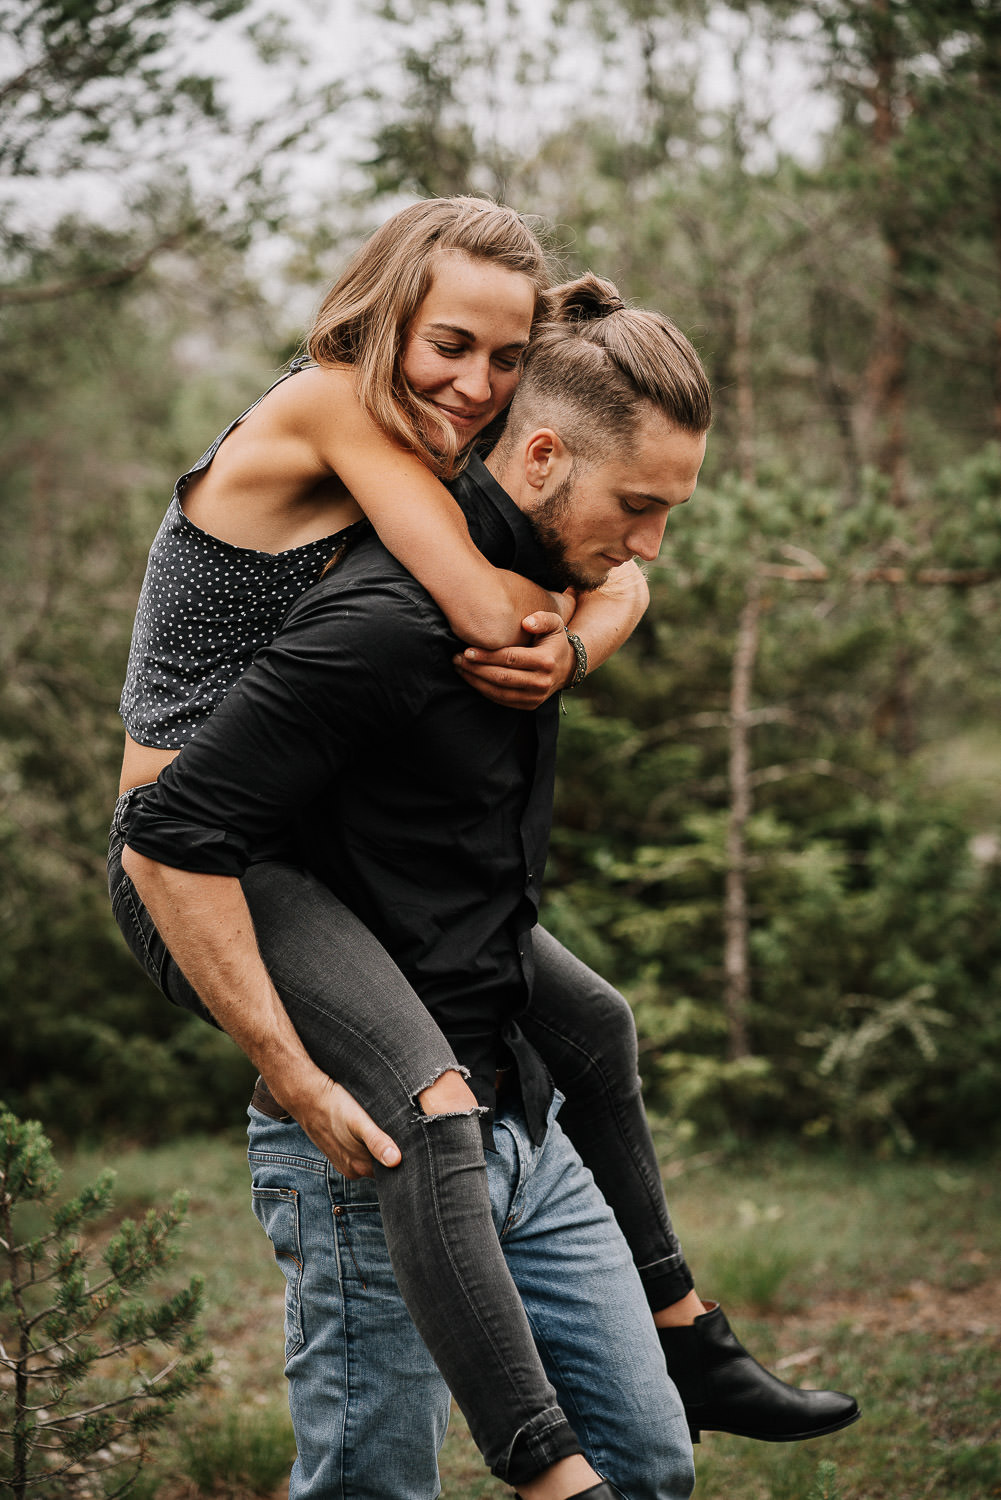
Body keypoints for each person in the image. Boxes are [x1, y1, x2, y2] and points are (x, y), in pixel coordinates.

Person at [109, 202, 858, 1491]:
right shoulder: (333, 404)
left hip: (277, 836)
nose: (476, 384)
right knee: (426, 1104)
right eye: (449, 345)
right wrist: (575, 622)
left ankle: (689, 1334)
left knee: (595, 1023)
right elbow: (474, 605)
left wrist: (591, 607)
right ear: (385, 309)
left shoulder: (422, 444)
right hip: (187, 857)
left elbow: (574, 570)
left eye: (508, 358)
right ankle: (547, 1466)